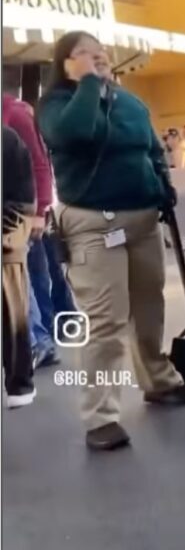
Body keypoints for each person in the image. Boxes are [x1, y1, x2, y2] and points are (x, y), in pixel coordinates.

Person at [39, 31, 185, 451]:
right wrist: (88, 83)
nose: (99, 58)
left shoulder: (129, 102)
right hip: (93, 222)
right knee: (106, 322)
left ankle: (158, 380)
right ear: (66, 64)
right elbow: (74, 134)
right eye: (86, 55)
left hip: (142, 218)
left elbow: (149, 149)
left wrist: (163, 186)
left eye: (101, 52)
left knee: (149, 306)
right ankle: (100, 415)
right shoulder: (55, 106)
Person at [2, 92, 68, 369]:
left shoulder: (15, 114)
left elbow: (40, 164)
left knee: (24, 277)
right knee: (31, 276)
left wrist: (40, 211)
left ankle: (38, 340)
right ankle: (42, 337)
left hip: (20, 209)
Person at [2, 125, 36, 408]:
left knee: (12, 316)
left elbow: (24, 198)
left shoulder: (7, 140)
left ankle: (19, 382)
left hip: (5, 242)